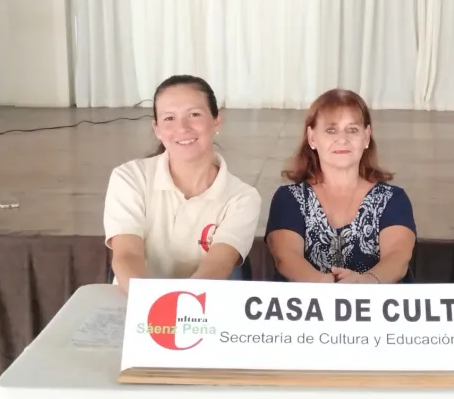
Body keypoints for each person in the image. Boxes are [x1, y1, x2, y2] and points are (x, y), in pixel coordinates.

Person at [103, 74, 261, 293]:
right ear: (157, 128)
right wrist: (148, 303)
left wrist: (179, 306)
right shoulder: (130, 177)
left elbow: (218, 265)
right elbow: (127, 255)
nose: (183, 127)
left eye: (194, 114)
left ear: (216, 120)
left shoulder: (243, 198)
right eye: (169, 118)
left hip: (200, 308)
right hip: (134, 302)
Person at [265, 88, 416, 283]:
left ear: (366, 136)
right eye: (331, 130)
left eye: (352, 130)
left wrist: (367, 281)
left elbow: (398, 257)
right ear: (312, 137)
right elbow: (286, 257)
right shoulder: (289, 199)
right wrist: (323, 285)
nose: (342, 139)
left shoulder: (392, 199)